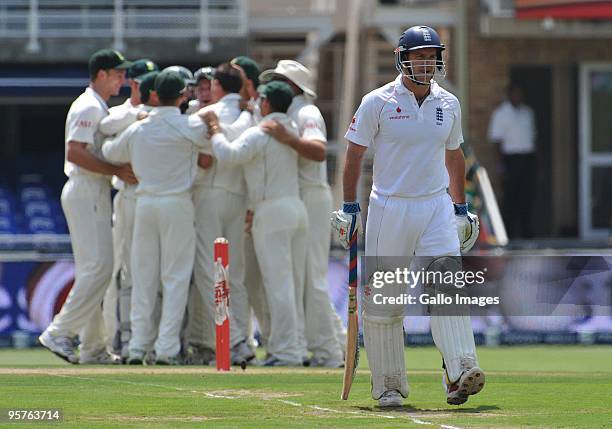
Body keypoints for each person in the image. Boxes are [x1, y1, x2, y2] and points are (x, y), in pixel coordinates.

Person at [332, 26, 483, 406]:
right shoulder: (377, 101)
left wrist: (460, 208)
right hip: (390, 206)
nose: (426, 63)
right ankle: (389, 385)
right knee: (386, 300)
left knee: (448, 287)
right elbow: (353, 156)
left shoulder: (448, 103)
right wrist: (350, 206)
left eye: (432, 56)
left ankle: (460, 369)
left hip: (435, 207)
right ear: (402, 58)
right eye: (419, 56)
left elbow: (454, 155)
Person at [102, 70, 208, 365]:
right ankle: (166, 349)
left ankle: (137, 347)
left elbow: (110, 151)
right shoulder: (189, 126)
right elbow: (211, 147)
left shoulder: (139, 128)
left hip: (145, 204)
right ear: (182, 96)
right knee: (174, 278)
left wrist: (134, 125)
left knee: (143, 277)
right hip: (177, 205)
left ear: (155, 96)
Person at [38, 48, 136, 364]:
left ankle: (93, 347)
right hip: (86, 188)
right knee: (99, 269)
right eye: (118, 74)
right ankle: (59, 332)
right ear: (101, 74)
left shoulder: (98, 106)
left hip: (91, 190)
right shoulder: (89, 106)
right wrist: (117, 171)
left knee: (95, 270)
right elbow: (75, 152)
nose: (122, 79)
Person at [202, 81, 308, 366]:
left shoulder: (261, 132)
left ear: (266, 103)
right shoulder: (291, 129)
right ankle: (293, 348)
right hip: (295, 209)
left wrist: (214, 126)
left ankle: (286, 353)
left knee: (278, 285)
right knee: (292, 285)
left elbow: (228, 155)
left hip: (272, 212)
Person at [259, 60, 344, 367]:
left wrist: (288, 139)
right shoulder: (289, 112)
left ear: (294, 86)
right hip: (297, 196)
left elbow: (318, 150)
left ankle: (331, 352)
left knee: (313, 278)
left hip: (311, 194)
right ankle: (330, 346)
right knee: (301, 278)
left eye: (281, 80)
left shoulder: (306, 112)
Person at [189, 63, 254, 365]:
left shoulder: (206, 114)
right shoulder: (247, 115)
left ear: (216, 85)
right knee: (235, 274)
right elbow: (237, 138)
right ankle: (243, 342)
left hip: (209, 196)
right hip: (238, 196)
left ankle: (237, 338)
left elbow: (202, 145)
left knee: (209, 270)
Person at [99, 66, 160, 362]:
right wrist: (135, 115)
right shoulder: (121, 113)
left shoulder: (163, 113)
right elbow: (106, 129)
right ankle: (120, 338)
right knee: (124, 272)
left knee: (155, 273)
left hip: (155, 197)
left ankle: (150, 339)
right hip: (128, 197)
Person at [488, 82, 536, 239]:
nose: (518, 97)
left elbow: (533, 137)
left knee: (526, 196)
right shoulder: (501, 114)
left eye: (520, 93)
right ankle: (507, 235)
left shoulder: (528, 113)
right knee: (510, 197)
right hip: (510, 159)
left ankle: (526, 233)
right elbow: (496, 141)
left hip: (527, 158)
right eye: (515, 93)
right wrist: (500, 166)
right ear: (509, 95)